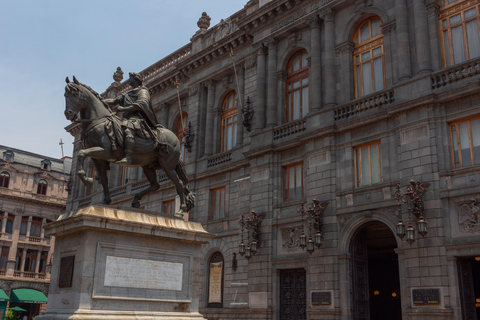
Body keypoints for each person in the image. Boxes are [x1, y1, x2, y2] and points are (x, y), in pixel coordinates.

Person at [103, 72, 159, 164]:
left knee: (128, 129)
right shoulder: (127, 94)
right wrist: (99, 100)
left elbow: (141, 104)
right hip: (126, 119)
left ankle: (128, 156)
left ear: (136, 79)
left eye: (130, 78)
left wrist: (123, 108)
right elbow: (113, 101)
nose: (128, 80)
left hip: (137, 119)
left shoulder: (143, 91)